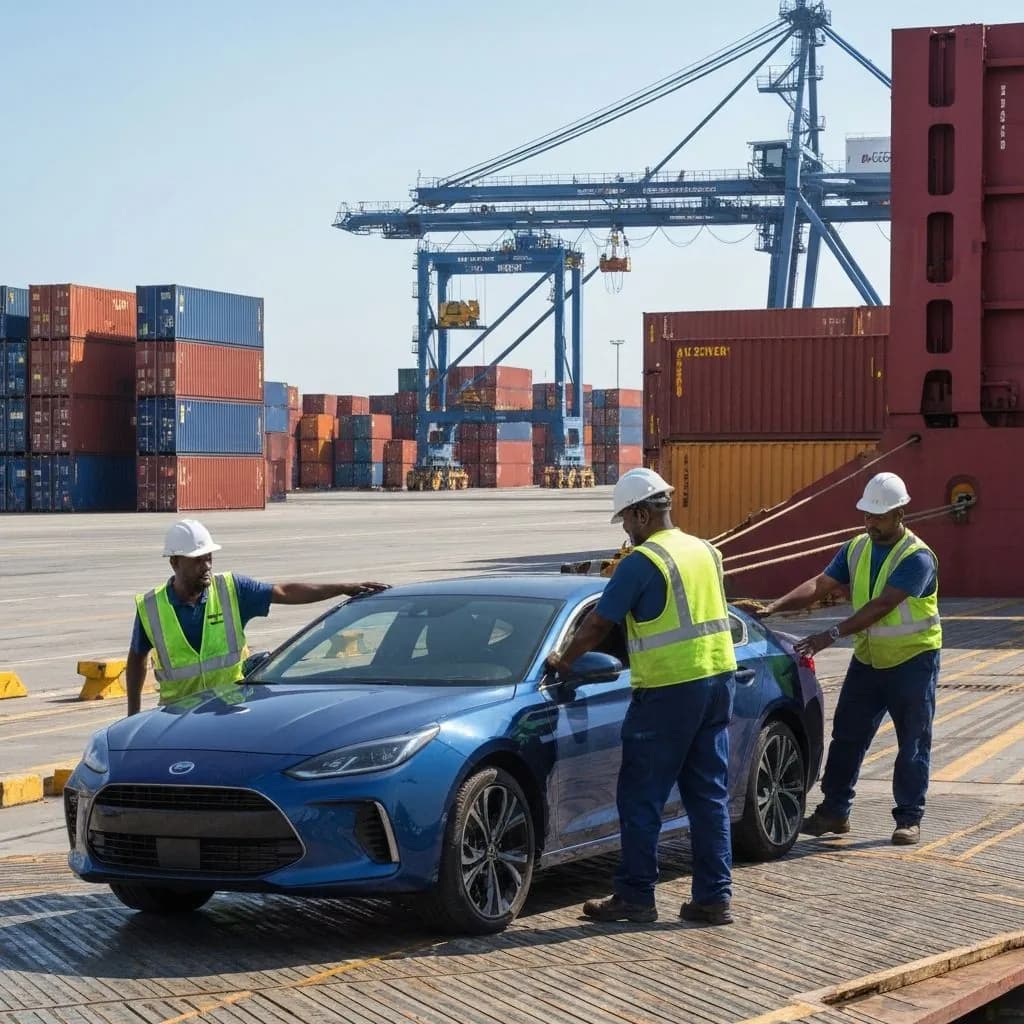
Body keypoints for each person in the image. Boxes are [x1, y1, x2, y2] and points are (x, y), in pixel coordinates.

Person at [545, 468, 737, 926]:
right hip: (719, 681)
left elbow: (597, 624)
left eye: (627, 522)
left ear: (642, 512)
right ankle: (714, 898)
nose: (626, 532)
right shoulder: (707, 551)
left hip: (668, 691)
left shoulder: (642, 562)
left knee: (640, 796)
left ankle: (635, 897)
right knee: (708, 795)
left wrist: (564, 660)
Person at [740, 472, 941, 846]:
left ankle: (909, 818)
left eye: (879, 517)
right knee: (847, 735)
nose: (871, 523)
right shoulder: (857, 548)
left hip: (913, 662)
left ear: (900, 513)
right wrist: (774, 607)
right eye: (867, 515)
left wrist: (830, 635)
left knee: (912, 742)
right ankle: (834, 811)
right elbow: (820, 585)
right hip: (869, 660)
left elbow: (882, 606)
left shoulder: (917, 558)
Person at [126, 519, 389, 715]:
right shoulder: (151, 607)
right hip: (177, 715)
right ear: (174, 562)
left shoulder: (232, 589)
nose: (206, 566)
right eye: (197, 560)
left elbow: (284, 592)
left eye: (209, 558)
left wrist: (342, 588)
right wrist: (133, 714)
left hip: (229, 710)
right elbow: (137, 658)